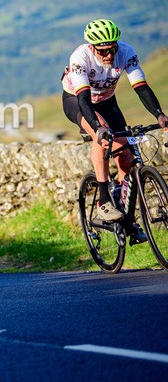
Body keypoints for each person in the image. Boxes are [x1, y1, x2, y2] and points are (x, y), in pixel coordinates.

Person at [62, 19, 168, 238]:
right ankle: (103, 200)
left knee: (126, 156)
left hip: (108, 102)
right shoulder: (80, 58)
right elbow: (83, 99)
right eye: (103, 51)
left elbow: (141, 87)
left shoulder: (126, 52)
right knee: (102, 135)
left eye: (112, 49)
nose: (109, 55)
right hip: (78, 101)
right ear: (92, 48)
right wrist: (97, 128)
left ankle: (127, 219)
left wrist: (159, 115)